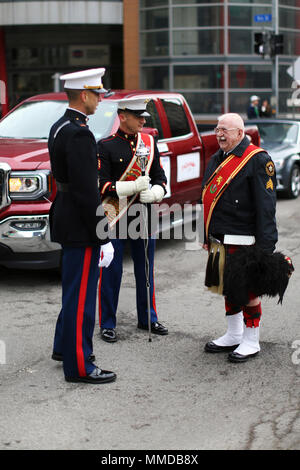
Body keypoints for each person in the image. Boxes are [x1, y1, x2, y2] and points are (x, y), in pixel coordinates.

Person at [48, 68, 116, 384]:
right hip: (80, 223)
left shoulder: (61, 125)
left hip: (67, 216)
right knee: (82, 298)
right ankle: (79, 366)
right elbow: (87, 192)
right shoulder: (79, 133)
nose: (100, 100)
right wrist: (102, 236)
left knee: (73, 290)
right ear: (85, 95)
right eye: (98, 94)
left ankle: (64, 347)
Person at [201, 113, 278, 363]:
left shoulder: (258, 160)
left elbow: (266, 207)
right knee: (226, 287)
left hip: (245, 239)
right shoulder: (217, 158)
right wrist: (207, 235)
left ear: (239, 132)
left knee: (248, 290)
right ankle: (234, 333)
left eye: (225, 129)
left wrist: (265, 248)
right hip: (220, 237)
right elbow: (208, 200)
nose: (219, 134)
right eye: (217, 129)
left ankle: (251, 340)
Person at [97, 97, 168, 342]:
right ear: (123, 116)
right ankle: (107, 323)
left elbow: (160, 177)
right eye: (138, 116)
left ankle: (148, 318)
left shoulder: (148, 142)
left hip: (143, 215)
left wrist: (157, 192)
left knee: (146, 271)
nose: (143, 120)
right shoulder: (105, 146)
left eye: (144, 116)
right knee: (111, 272)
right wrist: (131, 186)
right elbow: (101, 184)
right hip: (114, 216)